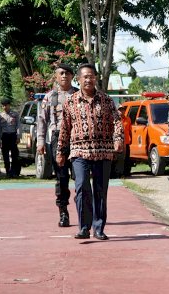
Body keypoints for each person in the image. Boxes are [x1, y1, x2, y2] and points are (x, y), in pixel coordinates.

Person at [58, 64, 123, 240]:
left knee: (100, 191)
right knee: (82, 187)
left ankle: (99, 228)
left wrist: (118, 140)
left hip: (103, 152)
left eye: (91, 76)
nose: (88, 79)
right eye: (85, 77)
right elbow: (64, 128)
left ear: (96, 78)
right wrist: (60, 151)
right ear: (78, 80)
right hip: (79, 152)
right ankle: (84, 228)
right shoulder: (70, 102)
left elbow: (117, 122)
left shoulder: (107, 100)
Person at [37, 64, 78, 227]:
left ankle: (83, 209)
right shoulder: (50, 97)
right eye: (61, 73)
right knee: (61, 178)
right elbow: (42, 121)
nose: (64, 76)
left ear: (72, 76)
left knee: (80, 177)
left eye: (68, 73)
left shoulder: (78, 94)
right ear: (56, 76)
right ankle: (63, 212)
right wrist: (40, 141)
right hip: (57, 138)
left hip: (77, 139)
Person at [0, 98, 21, 178]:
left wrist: (18, 136)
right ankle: (8, 171)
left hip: (13, 135)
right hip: (4, 136)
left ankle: (14, 171)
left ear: (9, 105)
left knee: (14, 155)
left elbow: (18, 126)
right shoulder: (0, 115)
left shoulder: (15, 114)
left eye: (6, 105)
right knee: (5, 155)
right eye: (3, 106)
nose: (4, 107)